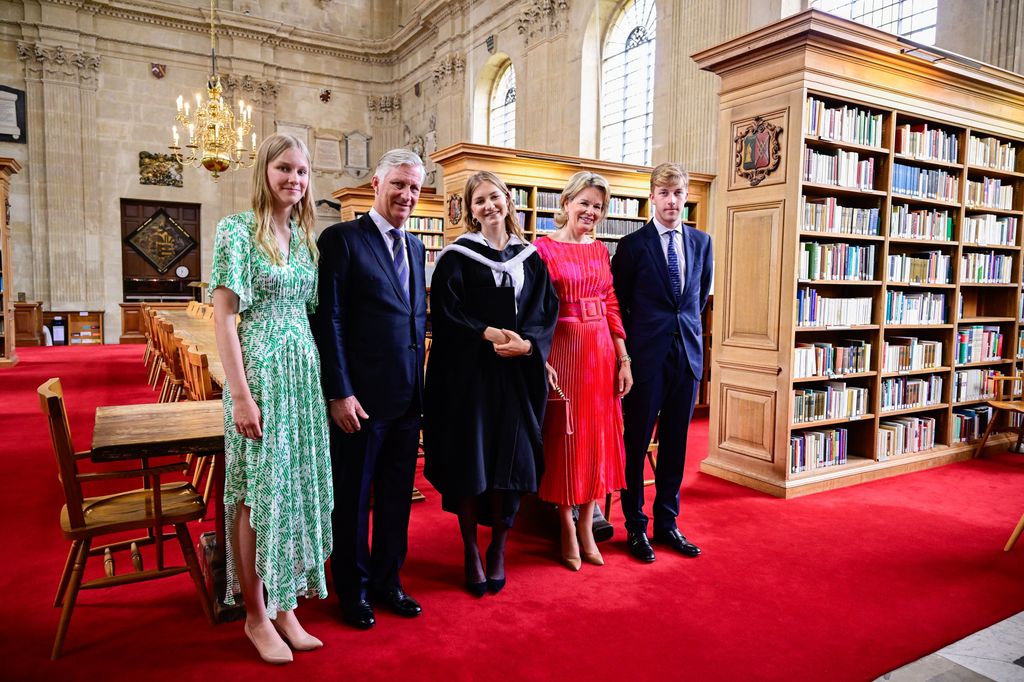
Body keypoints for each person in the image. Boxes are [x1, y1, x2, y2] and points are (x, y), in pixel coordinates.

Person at [209, 133, 331, 665]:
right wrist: (240, 395)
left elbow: (311, 312)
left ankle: (286, 607)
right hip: (259, 376)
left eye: (302, 172)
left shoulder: (306, 238)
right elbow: (224, 315)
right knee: (258, 497)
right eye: (284, 169)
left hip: (302, 380)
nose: (294, 180)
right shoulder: (236, 231)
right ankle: (256, 615)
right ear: (264, 171)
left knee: (293, 492)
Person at [423, 171, 558, 596]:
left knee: (510, 465)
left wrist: (529, 346)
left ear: (508, 201)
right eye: (478, 200)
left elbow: (544, 312)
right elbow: (445, 313)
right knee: (472, 462)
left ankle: (498, 546)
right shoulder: (457, 257)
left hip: (516, 376)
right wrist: (485, 333)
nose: (488, 206)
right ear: (470, 210)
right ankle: (469, 549)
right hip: (470, 377)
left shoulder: (530, 257)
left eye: (494, 197)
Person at [311, 149, 428, 630]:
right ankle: (353, 590)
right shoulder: (342, 239)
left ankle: (387, 580)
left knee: (398, 498)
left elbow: (415, 319)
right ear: (377, 183)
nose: (406, 194)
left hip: (406, 397)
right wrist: (338, 392)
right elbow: (329, 319)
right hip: (358, 399)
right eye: (399, 184)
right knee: (355, 500)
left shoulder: (418, 247)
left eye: (414, 187)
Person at [611, 162, 713, 563]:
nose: (672, 201)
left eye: (679, 193)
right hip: (644, 359)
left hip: (686, 358)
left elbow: (698, 298)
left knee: (676, 444)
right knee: (634, 444)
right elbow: (618, 303)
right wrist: (626, 358)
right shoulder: (632, 246)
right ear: (651, 196)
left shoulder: (702, 243)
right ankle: (635, 526)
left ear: (686, 197)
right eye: (664, 193)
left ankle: (667, 523)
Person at [534, 171, 632, 570]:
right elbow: (535, 309)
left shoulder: (600, 252)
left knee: (596, 439)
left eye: (598, 206)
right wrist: (541, 359)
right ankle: (565, 524)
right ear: (566, 203)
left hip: (601, 352)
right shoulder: (542, 249)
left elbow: (610, 304)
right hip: (562, 349)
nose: (590, 211)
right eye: (584, 203)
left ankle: (589, 525)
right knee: (564, 438)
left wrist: (624, 359)